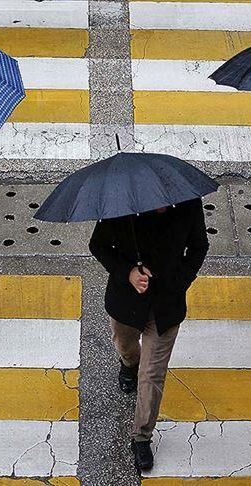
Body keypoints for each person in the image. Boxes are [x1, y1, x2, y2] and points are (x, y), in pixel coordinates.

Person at [88, 199, 209, 471]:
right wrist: (128, 272)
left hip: (166, 305)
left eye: (167, 204)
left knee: (152, 374)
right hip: (127, 302)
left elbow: (200, 246)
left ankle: (141, 436)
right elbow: (98, 245)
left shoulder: (189, 204)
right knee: (124, 345)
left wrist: (179, 282)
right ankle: (128, 364)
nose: (162, 208)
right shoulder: (121, 207)